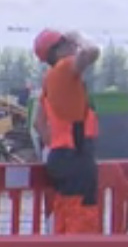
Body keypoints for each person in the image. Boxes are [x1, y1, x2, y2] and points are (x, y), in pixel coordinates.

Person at [32, 28, 101, 235]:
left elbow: (38, 122)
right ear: (58, 50)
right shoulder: (65, 68)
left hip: (61, 157)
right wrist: (78, 37)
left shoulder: (49, 80)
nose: (73, 47)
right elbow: (92, 52)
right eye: (68, 43)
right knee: (82, 216)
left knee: (65, 212)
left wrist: (57, 145)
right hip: (76, 155)